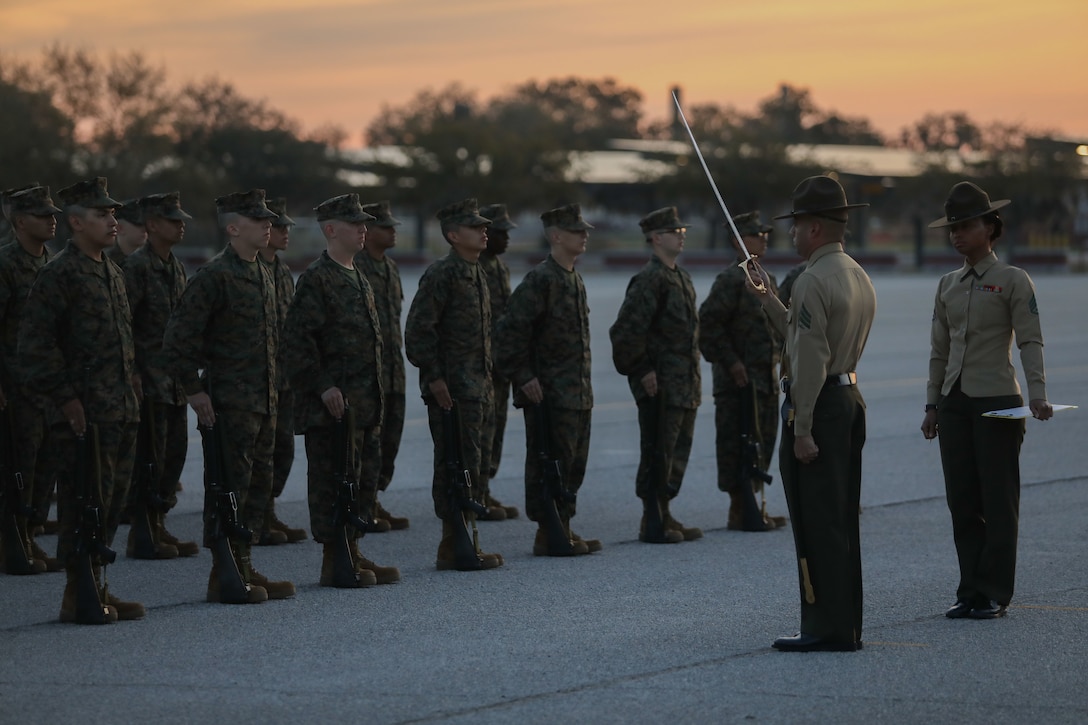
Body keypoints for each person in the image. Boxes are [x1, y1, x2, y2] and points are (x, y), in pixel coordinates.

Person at [747, 175, 876, 652]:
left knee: (815, 522)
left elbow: (807, 360)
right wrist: (768, 299)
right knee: (839, 520)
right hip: (846, 401)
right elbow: (808, 336)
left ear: (815, 229)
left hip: (818, 407)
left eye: (797, 225)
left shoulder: (812, 279)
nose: (792, 234)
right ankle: (846, 623)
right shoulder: (855, 274)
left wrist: (801, 428)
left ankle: (824, 626)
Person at [921, 181, 1052, 620]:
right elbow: (939, 349)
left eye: (967, 225)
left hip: (997, 399)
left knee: (998, 502)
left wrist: (1037, 394)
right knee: (962, 501)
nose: (958, 234)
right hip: (955, 403)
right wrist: (932, 405)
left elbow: (1030, 340)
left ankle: (995, 591)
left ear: (990, 228)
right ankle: (969, 589)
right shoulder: (947, 284)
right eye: (953, 227)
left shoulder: (1012, 280)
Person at [18, 176, 144, 623]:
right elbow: (34, 345)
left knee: (109, 500)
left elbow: (121, 341)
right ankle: (78, 590)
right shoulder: (60, 273)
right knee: (81, 501)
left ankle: (98, 583)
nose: (113, 221)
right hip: (81, 413)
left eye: (113, 214)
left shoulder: (110, 271)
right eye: (102, 214)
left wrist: (132, 385)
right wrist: (66, 399)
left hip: (118, 410)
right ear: (75, 222)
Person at [163, 188, 294, 604]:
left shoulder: (264, 273)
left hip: (265, 400)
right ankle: (224, 570)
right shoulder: (215, 276)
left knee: (258, 485)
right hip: (231, 403)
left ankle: (244, 560)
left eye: (268, 219)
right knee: (229, 485)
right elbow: (178, 340)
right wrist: (195, 390)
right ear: (234, 228)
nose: (268, 225)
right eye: (259, 221)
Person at [282, 193, 399, 587]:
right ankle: (335, 558)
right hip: (333, 407)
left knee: (362, 480)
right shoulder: (318, 278)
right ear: (331, 230)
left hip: (365, 404)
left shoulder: (359, 276)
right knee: (333, 481)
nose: (363, 228)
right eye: (355, 224)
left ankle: (353, 549)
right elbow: (297, 343)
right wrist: (323, 386)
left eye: (364, 223)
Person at [495, 203, 599, 557]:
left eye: (584, 230)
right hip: (550, 394)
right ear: (556, 236)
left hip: (577, 393)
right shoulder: (541, 280)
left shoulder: (573, 278)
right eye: (576, 231)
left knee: (572, 463)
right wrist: (524, 377)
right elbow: (508, 334)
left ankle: (562, 526)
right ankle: (549, 529)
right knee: (549, 462)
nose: (584, 235)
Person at [404, 198, 503, 571]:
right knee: (454, 462)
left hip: (477, 387)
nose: (484, 230)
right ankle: (455, 541)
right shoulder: (443, 273)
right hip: (453, 389)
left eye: (483, 225)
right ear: (453, 235)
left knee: (471, 462)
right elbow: (417, 331)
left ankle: (464, 540)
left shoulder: (476, 271)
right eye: (474, 226)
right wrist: (434, 377)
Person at [610, 206, 703, 545]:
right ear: (655, 238)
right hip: (660, 385)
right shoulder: (651, 279)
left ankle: (664, 511)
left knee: (677, 451)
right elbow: (625, 332)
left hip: (684, 384)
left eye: (682, 231)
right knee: (658, 450)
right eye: (674, 232)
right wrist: (642, 369)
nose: (681, 236)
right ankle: (653, 516)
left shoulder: (680, 276)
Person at [121, 191, 199, 560]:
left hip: (173, 381)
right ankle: (142, 531)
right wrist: (133, 372)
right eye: (173, 220)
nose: (180, 224)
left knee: (174, 455)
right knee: (149, 457)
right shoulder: (136, 268)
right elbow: (123, 325)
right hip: (148, 381)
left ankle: (158, 524)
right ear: (152, 225)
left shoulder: (174, 266)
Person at [698, 211, 786, 532]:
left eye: (765, 234)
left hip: (764, 380)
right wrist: (731, 362)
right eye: (756, 234)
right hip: (737, 382)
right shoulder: (730, 281)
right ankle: (739, 506)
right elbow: (707, 326)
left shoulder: (767, 278)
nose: (764, 238)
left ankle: (756, 504)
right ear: (738, 241)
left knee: (763, 439)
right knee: (737, 442)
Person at [0, 185, 62, 574]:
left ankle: (31, 534)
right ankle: (12, 540)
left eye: (53, 213)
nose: (51, 220)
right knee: (17, 465)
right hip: (16, 386)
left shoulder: (49, 263)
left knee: (45, 464)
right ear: (20, 222)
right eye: (42, 215)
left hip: (48, 386)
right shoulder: (6, 264)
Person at [254, 197, 307, 546]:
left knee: (281, 449)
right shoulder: (248, 268)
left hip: (283, 378)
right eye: (279, 226)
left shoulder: (282, 271)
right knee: (256, 453)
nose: (286, 231)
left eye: (287, 225)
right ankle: (253, 517)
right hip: (254, 380)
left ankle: (267, 511)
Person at [356, 200, 409, 531]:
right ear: (368, 231)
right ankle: (361, 504)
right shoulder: (357, 267)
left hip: (393, 371)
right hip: (368, 374)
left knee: (389, 439)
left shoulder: (390, 267)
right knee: (367, 443)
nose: (392, 232)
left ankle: (373, 498)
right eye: (386, 227)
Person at [477, 202, 519, 521]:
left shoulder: (499, 267)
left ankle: (485, 488)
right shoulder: (475, 266)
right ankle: (475, 492)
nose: (506, 238)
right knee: (480, 430)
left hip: (500, 365)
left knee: (496, 429)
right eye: (499, 232)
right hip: (480, 367)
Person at [107, 199, 146, 264]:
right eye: (138, 224)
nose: (144, 229)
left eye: (145, 224)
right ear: (120, 228)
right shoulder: (108, 262)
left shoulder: (154, 259)